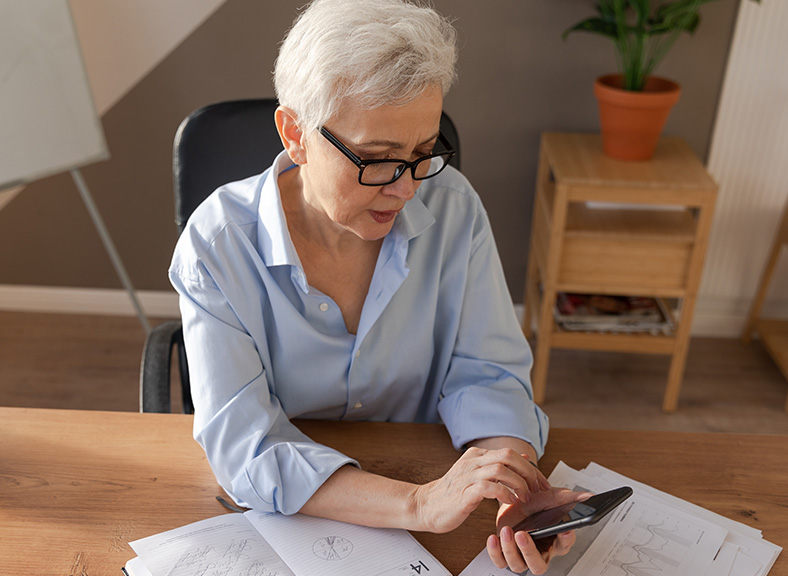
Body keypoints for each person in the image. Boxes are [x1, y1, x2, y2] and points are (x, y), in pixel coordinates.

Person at [168, 0, 587, 573]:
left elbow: (487, 375)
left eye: (422, 154)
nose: (407, 188)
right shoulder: (217, 244)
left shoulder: (454, 204)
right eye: (376, 159)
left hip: (434, 495)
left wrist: (509, 478)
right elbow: (246, 448)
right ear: (295, 134)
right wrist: (417, 502)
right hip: (301, 523)